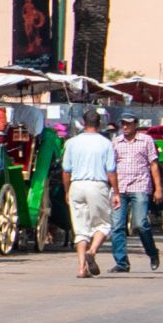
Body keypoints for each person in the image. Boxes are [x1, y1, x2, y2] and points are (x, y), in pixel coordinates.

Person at [61, 108, 120, 279]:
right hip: (97, 185)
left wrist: (67, 190)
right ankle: (92, 251)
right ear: (99, 124)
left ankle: (81, 268)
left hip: (76, 185)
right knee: (103, 225)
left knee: (80, 229)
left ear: (83, 123)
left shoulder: (71, 143)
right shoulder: (106, 143)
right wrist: (116, 192)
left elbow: (66, 171)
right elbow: (111, 171)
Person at [110, 112, 163, 273]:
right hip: (120, 188)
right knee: (117, 226)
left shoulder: (146, 140)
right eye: (123, 123)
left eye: (128, 123)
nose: (125, 126)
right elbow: (111, 167)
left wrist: (158, 188)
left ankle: (152, 252)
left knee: (141, 224)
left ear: (136, 124)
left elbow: (153, 165)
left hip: (140, 186)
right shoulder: (116, 142)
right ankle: (121, 262)